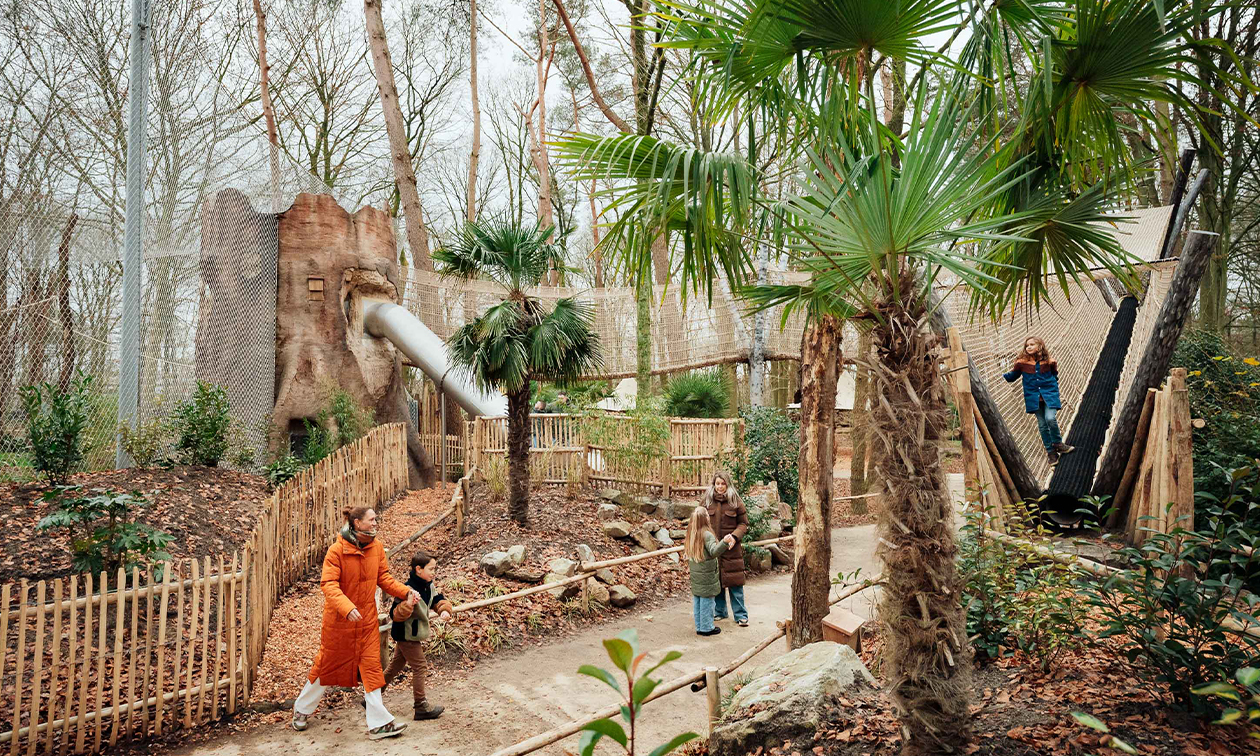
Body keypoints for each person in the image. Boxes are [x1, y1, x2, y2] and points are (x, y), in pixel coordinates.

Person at [293, 506, 417, 740]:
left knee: (372, 669)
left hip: (367, 623)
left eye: (375, 519)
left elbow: (384, 578)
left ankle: (379, 724)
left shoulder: (377, 547)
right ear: (357, 523)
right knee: (325, 668)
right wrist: (347, 607)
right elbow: (328, 584)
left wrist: (405, 591)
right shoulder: (336, 550)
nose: (375, 523)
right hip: (340, 624)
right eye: (371, 520)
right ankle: (301, 710)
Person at [382, 549, 454, 720]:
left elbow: (436, 599)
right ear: (418, 569)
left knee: (395, 666)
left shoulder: (428, 584)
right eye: (431, 569)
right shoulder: (407, 589)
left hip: (414, 634)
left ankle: (371, 697)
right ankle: (420, 706)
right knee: (420, 666)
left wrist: (444, 610)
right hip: (406, 634)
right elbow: (395, 614)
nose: (434, 572)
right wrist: (408, 604)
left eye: (435, 569)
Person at [1003, 336, 1076, 466]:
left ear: (1040, 346)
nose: (1029, 347)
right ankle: (1051, 452)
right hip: (1033, 398)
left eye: (1032, 344)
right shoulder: (1022, 363)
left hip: (1049, 396)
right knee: (1042, 424)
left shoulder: (1049, 362)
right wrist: (1003, 375)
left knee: (1050, 419)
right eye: (1027, 345)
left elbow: (1054, 375)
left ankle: (1058, 443)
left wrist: (1052, 388)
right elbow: (1012, 377)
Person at [702, 470, 749, 627]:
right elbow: (698, 521)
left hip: (731, 549)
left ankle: (741, 615)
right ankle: (720, 612)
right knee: (717, 582)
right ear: (713, 485)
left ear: (727, 484)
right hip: (713, 549)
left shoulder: (735, 501)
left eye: (723, 484)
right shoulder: (706, 501)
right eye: (717, 484)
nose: (720, 487)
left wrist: (735, 536)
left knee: (735, 584)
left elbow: (744, 524)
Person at [685, 506, 736, 636]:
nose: (709, 516)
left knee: (698, 600)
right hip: (707, 574)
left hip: (696, 574)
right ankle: (707, 627)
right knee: (707, 601)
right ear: (704, 518)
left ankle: (699, 625)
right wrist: (724, 542)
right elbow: (713, 552)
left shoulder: (692, 533)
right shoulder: (707, 534)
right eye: (707, 515)